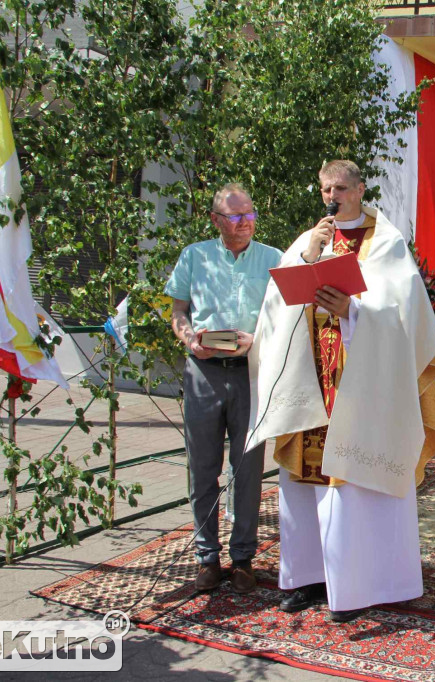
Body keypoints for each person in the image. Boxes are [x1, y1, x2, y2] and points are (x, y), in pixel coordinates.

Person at [247, 160, 435, 624]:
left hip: (363, 384)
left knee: (356, 485)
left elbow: (407, 316)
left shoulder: (388, 243)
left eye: (340, 187)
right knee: (305, 483)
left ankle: (361, 584)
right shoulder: (308, 240)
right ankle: (307, 578)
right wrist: (307, 260)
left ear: (360, 189)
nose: (332, 196)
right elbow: (275, 306)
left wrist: (353, 311)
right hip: (311, 379)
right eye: (325, 188)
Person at [166, 183, 284, 593]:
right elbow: (178, 310)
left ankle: (245, 559)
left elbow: (287, 318)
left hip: (251, 371)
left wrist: (260, 340)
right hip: (204, 372)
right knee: (202, 467)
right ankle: (207, 559)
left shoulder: (274, 259)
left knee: (249, 467)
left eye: (249, 213)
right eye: (235, 216)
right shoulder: (194, 256)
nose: (245, 222)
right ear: (216, 220)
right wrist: (188, 338)